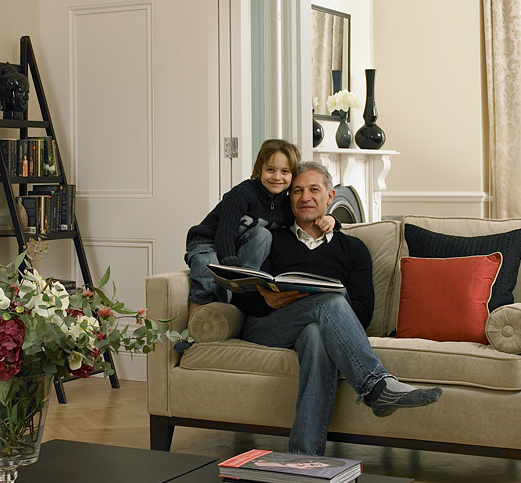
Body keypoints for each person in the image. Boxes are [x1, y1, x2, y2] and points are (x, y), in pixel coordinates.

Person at [231, 160, 442, 456]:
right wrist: (264, 299)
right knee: (330, 302)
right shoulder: (271, 239)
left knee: (317, 335)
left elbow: (364, 311)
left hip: (314, 330)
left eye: (314, 190)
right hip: (268, 325)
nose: (305, 197)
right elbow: (240, 293)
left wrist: (325, 311)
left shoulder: (353, 249)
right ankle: (376, 387)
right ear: (288, 197)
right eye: (297, 191)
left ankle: (303, 457)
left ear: (330, 197)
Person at [183, 139, 333, 316]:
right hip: (208, 242)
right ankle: (191, 332)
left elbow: (307, 219)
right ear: (259, 170)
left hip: (241, 244)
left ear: (292, 175)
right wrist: (230, 268)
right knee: (207, 270)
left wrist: (331, 220)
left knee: (264, 234)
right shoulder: (242, 194)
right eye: (270, 170)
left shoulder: (286, 205)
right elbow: (225, 233)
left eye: (284, 171)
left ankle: (242, 290)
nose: (277, 177)